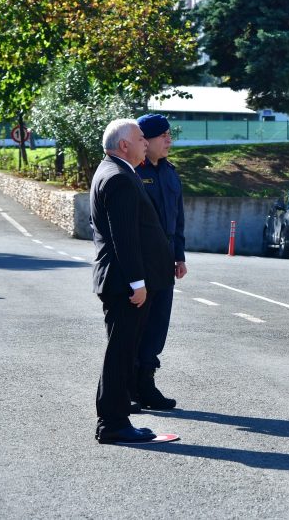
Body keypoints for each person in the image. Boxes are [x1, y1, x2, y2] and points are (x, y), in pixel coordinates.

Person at [90, 119, 175, 443]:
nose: (145, 143)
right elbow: (124, 237)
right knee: (121, 353)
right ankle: (113, 423)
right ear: (124, 144)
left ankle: (114, 419)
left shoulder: (116, 171)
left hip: (124, 282)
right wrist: (137, 284)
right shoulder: (119, 177)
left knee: (121, 352)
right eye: (140, 138)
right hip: (125, 284)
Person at [132, 114, 186, 411]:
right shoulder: (133, 173)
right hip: (141, 257)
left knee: (157, 324)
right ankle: (129, 383)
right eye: (162, 136)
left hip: (165, 257)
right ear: (146, 140)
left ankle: (146, 382)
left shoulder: (169, 172)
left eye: (169, 135)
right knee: (136, 324)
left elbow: (178, 218)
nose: (169, 141)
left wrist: (180, 255)